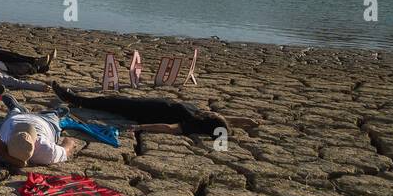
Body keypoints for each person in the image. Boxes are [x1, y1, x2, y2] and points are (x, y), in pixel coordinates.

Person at [50, 83, 258, 135]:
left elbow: (168, 128)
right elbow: (226, 119)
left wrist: (140, 127)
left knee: (109, 101)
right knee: (113, 100)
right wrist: (247, 121)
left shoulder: (193, 122)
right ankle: (76, 99)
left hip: (142, 112)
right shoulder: (204, 115)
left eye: (215, 115)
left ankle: (74, 99)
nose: (215, 112)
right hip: (149, 102)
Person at [0, 94, 82, 169]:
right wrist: (70, 142)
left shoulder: (4, 145)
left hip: (17, 118)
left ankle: (16, 108)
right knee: (53, 118)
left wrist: (8, 157)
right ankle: (55, 112)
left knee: (12, 115)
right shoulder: (46, 151)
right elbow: (68, 146)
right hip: (45, 122)